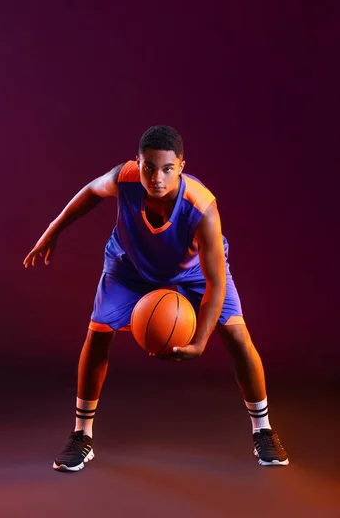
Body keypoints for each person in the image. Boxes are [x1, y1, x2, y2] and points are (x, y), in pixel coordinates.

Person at [23, 125, 289, 470]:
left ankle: (263, 430)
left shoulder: (202, 206)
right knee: (97, 332)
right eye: (149, 167)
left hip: (192, 270)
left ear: (181, 165)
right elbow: (91, 191)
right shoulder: (125, 178)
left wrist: (199, 342)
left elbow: (215, 284)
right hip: (130, 264)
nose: (156, 177)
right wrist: (52, 231)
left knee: (237, 334)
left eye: (166, 168)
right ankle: (81, 436)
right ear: (138, 163)